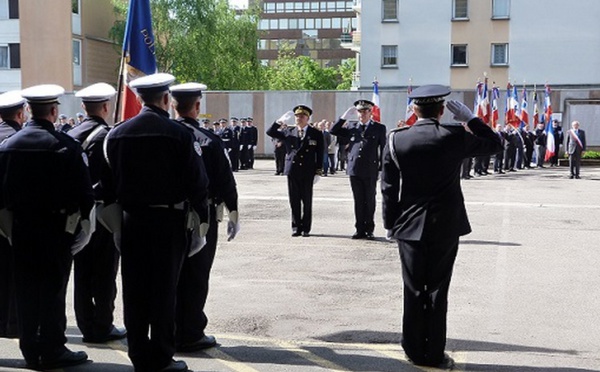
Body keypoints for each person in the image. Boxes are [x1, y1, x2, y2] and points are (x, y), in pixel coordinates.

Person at [381, 85, 502, 369]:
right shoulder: (454, 135)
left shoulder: (396, 139)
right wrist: (471, 119)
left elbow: (388, 187)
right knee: (437, 289)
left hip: (409, 225)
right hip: (445, 224)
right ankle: (434, 353)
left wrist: (389, 224)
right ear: (440, 111)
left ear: (414, 110)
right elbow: (496, 144)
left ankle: (412, 349)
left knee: (412, 289)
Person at [102, 73, 209, 372]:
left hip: (132, 219)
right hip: (168, 221)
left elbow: (108, 185)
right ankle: (161, 356)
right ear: (166, 99)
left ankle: (138, 354)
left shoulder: (118, 133)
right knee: (163, 291)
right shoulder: (178, 134)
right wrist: (200, 222)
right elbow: (198, 184)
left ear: (138, 99)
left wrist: (116, 224)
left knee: (134, 290)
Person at [0, 84, 94, 369]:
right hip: (56, 229)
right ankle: (53, 348)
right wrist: (85, 228)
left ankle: (30, 348)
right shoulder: (65, 146)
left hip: (22, 228)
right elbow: (84, 195)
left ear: (28, 110)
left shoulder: (8, 147)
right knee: (53, 288)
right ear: (54, 111)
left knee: (26, 289)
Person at [169, 82, 240, 353]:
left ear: (172, 105)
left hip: (170, 216)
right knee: (197, 275)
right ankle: (190, 332)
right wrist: (233, 211)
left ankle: (170, 329)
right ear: (197, 106)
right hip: (202, 216)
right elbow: (225, 180)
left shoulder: (167, 136)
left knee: (171, 275)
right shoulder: (208, 139)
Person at [68, 83, 127, 344]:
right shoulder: (107, 136)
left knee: (82, 271)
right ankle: (102, 325)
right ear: (106, 107)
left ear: (83, 107)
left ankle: (85, 324)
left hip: (77, 212)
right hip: (103, 211)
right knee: (104, 273)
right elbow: (115, 177)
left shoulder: (69, 135)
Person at [331, 99, 386, 239]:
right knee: (358, 200)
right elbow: (334, 130)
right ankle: (359, 229)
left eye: (365, 111)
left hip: (370, 169)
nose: (362, 114)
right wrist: (343, 117)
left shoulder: (379, 128)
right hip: (354, 168)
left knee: (370, 200)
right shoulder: (351, 127)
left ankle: (369, 229)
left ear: (370, 112)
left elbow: (383, 149)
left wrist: (381, 168)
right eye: (359, 111)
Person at [266, 105, 324, 237]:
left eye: (302, 116)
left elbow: (320, 153)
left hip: (308, 170)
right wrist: (278, 122)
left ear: (308, 118)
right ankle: (296, 227)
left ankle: (306, 228)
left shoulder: (316, 133)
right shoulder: (289, 131)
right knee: (294, 200)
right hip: (293, 170)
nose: (299, 118)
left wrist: (318, 171)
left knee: (307, 201)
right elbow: (270, 132)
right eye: (297, 116)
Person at [0, 91, 26, 339]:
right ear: (20, 114)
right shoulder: (19, 140)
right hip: (12, 217)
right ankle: (12, 324)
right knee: (14, 273)